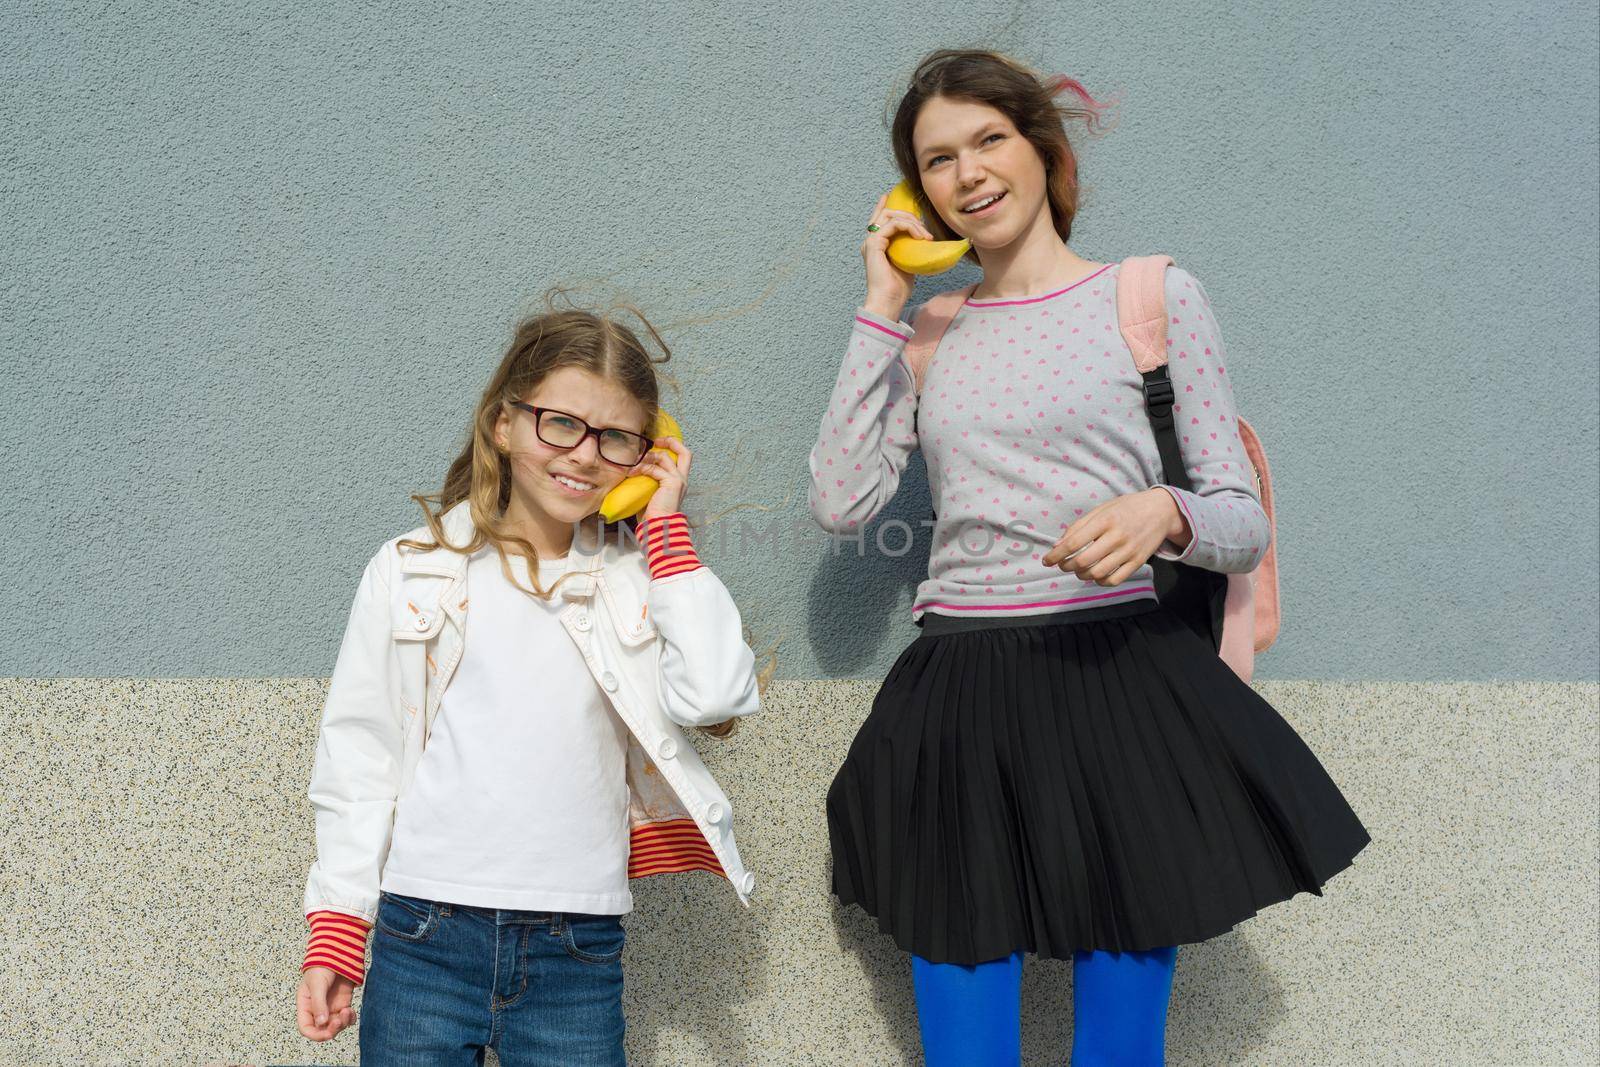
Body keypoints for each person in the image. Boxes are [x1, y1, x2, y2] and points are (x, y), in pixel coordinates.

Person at [809, 49, 1369, 1065]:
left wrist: (1163, 511)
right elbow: (840, 503)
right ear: (916, 191)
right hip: (960, 695)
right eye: (937, 159)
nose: (968, 172)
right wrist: (880, 305)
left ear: (1043, 150)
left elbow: (1240, 521)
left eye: (989, 139)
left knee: (1118, 1046)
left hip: (1123, 687)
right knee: (964, 1047)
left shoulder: (1151, 295)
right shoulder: (932, 330)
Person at [294, 295, 760, 1065]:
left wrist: (666, 528)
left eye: (616, 437)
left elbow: (714, 693)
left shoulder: (639, 578)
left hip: (575, 948)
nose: (583, 454)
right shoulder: (414, 567)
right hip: (424, 935)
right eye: (561, 423)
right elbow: (359, 756)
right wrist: (339, 928)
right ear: (504, 423)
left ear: (647, 453)